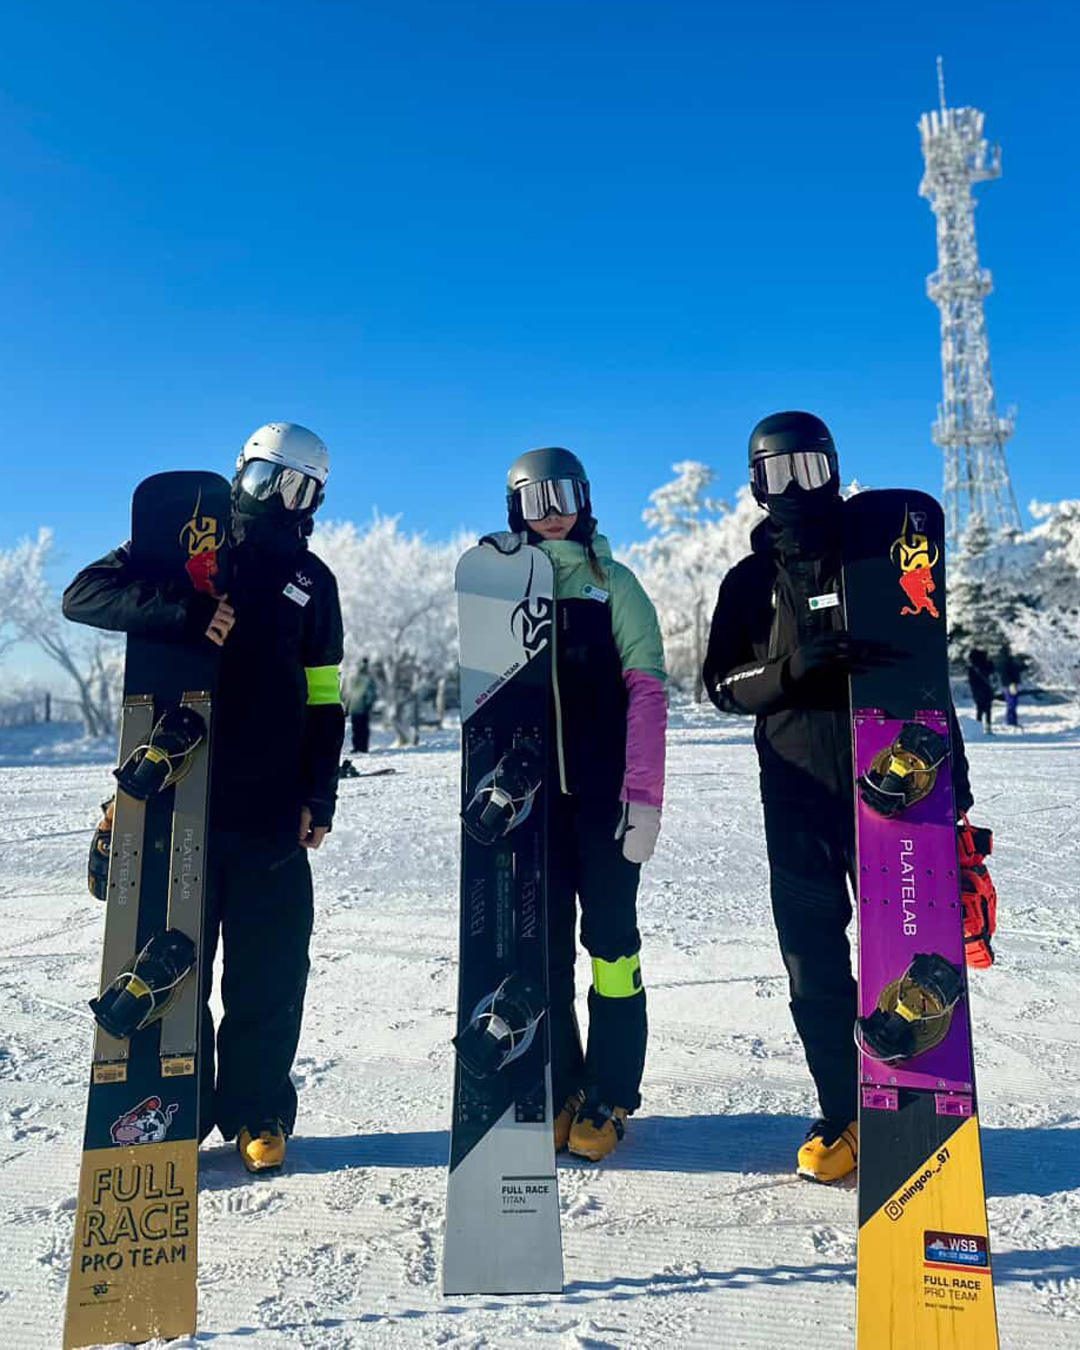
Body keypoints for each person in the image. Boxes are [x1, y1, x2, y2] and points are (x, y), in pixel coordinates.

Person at [63, 421, 345, 1174]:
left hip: (273, 809)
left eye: (299, 489)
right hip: (179, 804)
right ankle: (174, 1110)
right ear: (239, 474)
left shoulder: (313, 581)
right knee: (175, 968)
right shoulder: (188, 551)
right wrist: (185, 610)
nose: (279, 500)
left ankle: (258, 1111)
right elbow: (83, 594)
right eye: (266, 480)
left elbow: (326, 698)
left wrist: (319, 792)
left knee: (270, 973)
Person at [702, 411, 975, 1184]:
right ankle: (847, 1110)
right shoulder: (748, 582)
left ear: (834, 470)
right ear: (756, 486)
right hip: (797, 795)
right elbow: (720, 686)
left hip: (896, 795)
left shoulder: (880, 562)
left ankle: (922, 1105)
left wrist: (954, 790)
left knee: (912, 950)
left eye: (810, 469)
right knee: (811, 961)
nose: (796, 487)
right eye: (777, 473)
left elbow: (924, 675)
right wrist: (791, 670)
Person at [483, 447, 667, 1161]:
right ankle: (559, 1081)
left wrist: (643, 797)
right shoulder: (505, 590)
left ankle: (611, 1091)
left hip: (603, 802)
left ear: (584, 500)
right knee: (544, 950)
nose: (552, 513)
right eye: (536, 501)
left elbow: (647, 694)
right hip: (532, 810)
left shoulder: (614, 584)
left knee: (613, 948)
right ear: (516, 511)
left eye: (563, 496)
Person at [346, 658, 377, 753]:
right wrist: (369, 704)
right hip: (361, 707)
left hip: (356, 707)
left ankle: (359, 747)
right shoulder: (367, 678)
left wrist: (347, 707)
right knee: (361, 728)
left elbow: (349, 693)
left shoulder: (354, 677)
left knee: (357, 728)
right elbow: (371, 693)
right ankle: (362, 747)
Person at [966, 648, 996, 735]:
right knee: (988, 709)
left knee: (979, 709)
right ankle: (988, 728)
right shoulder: (985, 663)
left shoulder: (972, 667)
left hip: (977, 691)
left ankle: (978, 728)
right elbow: (991, 670)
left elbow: (971, 681)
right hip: (986, 689)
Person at [996, 642, 1024, 728]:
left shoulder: (1006, 659)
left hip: (1009, 684)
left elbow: (1015, 669)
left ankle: (1012, 721)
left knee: (1012, 703)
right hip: (1009, 685)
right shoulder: (1005, 660)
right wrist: (1010, 683)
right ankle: (1011, 722)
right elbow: (1006, 673)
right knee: (1012, 703)